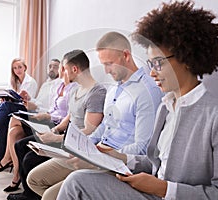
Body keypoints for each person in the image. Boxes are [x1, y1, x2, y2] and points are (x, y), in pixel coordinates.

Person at [57, 1, 218, 199]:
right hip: (150, 191)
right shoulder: (167, 107)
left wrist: (163, 189)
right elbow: (156, 163)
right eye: (150, 63)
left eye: (158, 63)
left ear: (186, 58)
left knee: (75, 184)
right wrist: (117, 157)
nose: (152, 73)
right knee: (77, 181)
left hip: (165, 195)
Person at [27, 32, 163, 200]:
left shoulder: (148, 91)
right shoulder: (114, 89)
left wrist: (99, 156)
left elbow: (143, 148)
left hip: (118, 163)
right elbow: (104, 126)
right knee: (34, 180)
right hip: (97, 152)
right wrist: (83, 146)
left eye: (109, 64)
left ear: (126, 55)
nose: (105, 71)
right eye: (103, 64)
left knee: (49, 196)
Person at [7, 49, 107, 200]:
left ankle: (33, 196)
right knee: (21, 146)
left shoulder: (97, 92)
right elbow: (70, 116)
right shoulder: (76, 89)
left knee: (29, 159)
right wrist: (54, 130)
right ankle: (28, 194)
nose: (62, 74)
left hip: (75, 144)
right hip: (63, 135)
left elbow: (88, 131)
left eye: (64, 69)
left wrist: (55, 138)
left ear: (74, 69)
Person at [0, 61, 76, 193]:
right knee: (14, 130)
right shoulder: (52, 85)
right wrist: (36, 107)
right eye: (50, 66)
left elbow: (66, 116)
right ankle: (13, 169)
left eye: (58, 67)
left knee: (12, 118)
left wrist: (39, 109)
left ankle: (8, 164)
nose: (54, 69)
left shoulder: (73, 89)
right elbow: (49, 108)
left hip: (52, 122)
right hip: (45, 115)